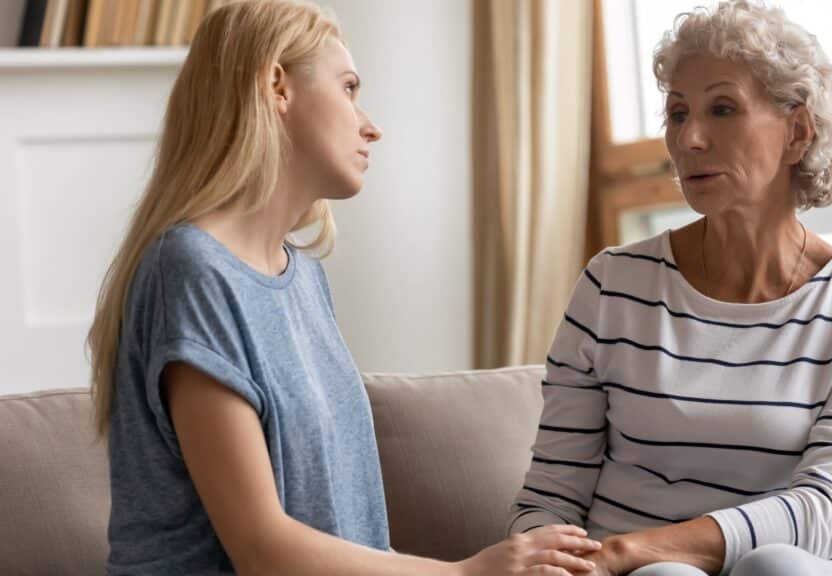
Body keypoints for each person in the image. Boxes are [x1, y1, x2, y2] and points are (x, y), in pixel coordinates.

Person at [86, 1, 600, 574]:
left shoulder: (303, 278)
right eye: (348, 87)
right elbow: (261, 549)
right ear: (276, 85)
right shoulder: (190, 269)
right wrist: (465, 572)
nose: (371, 125)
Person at [508, 2, 832, 575]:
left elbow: (828, 506)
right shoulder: (613, 284)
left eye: (722, 109)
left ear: (798, 131)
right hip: (629, 574)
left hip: (784, 567)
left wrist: (633, 548)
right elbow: (552, 494)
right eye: (677, 114)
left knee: (778, 568)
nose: (689, 138)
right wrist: (557, 561)